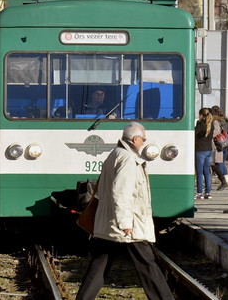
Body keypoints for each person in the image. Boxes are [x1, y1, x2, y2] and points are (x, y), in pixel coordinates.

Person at [76, 122, 173, 300]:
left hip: (109, 224)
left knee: (99, 267)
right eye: (143, 139)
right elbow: (120, 193)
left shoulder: (115, 154)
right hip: (127, 225)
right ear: (135, 138)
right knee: (148, 265)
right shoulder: (128, 158)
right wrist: (126, 223)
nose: (143, 143)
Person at [195, 108, 215, 199]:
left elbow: (194, 133)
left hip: (200, 150)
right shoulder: (211, 124)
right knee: (207, 171)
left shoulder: (201, 124)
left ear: (201, 115)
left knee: (199, 172)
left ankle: (199, 193)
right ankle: (208, 192)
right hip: (208, 150)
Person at [211, 106, 228, 190]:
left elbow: (215, 133)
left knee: (219, 163)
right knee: (221, 162)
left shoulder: (215, 121)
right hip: (225, 143)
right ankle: (226, 181)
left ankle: (224, 181)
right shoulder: (224, 119)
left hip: (219, 143)